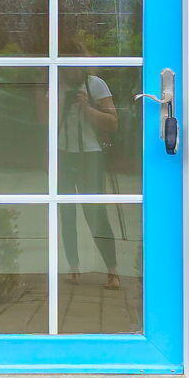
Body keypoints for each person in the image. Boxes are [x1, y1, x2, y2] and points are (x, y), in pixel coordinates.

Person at [57, 69, 122, 290]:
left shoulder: (95, 85)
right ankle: (73, 268)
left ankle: (112, 271)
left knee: (95, 212)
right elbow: (42, 121)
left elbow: (113, 122)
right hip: (62, 153)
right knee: (66, 213)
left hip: (91, 154)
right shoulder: (54, 83)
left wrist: (86, 108)